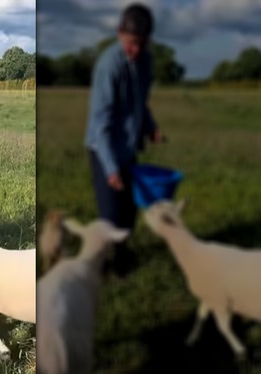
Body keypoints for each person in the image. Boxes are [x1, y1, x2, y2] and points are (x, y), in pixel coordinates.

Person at [84, 3, 165, 275]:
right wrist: (110, 168)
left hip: (127, 147)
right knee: (111, 214)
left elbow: (140, 103)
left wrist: (151, 128)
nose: (136, 50)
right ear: (120, 33)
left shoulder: (145, 61)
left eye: (142, 44)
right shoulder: (110, 66)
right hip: (103, 148)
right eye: (131, 43)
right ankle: (100, 266)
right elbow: (101, 123)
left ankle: (121, 257)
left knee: (129, 209)